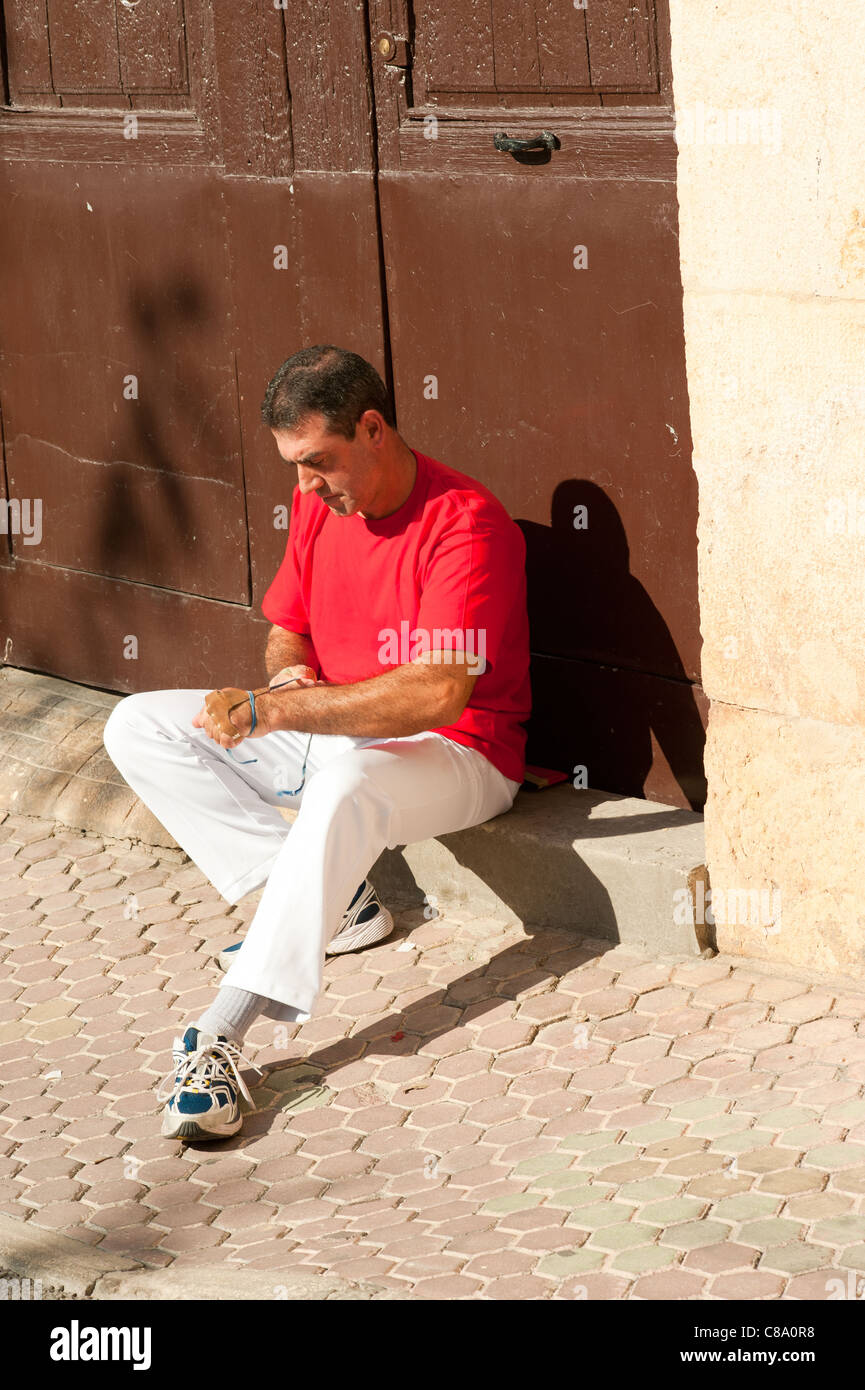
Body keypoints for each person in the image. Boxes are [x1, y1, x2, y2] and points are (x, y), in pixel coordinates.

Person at [103, 345, 531, 1141]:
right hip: (332, 729)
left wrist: (281, 713)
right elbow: (284, 630)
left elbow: (439, 690)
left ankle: (220, 1035)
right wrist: (291, 674)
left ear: (373, 428)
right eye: (293, 466)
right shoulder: (318, 504)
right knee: (137, 725)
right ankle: (338, 907)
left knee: (344, 790)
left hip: (458, 753)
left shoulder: (467, 523)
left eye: (317, 462)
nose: (304, 485)